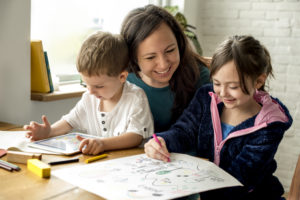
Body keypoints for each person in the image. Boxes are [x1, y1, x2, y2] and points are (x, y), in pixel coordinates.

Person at [144, 35, 293, 200]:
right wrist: (162, 142)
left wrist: (191, 183)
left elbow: (240, 179)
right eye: (217, 83)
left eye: (233, 86)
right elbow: (184, 132)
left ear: (258, 81)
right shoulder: (206, 98)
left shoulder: (269, 126)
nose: (222, 93)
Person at [24, 31, 154, 155]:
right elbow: (69, 122)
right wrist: (49, 131)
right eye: (86, 84)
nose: (90, 91)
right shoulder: (89, 98)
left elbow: (135, 136)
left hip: (131, 164)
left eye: (98, 86)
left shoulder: (136, 97)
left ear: (122, 77)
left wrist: (103, 144)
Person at [121, 4, 211, 132]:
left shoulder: (199, 76)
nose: (163, 64)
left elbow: (205, 134)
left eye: (170, 50)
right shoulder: (122, 80)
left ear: (179, 43)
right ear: (133, 58)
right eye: (151, 57)